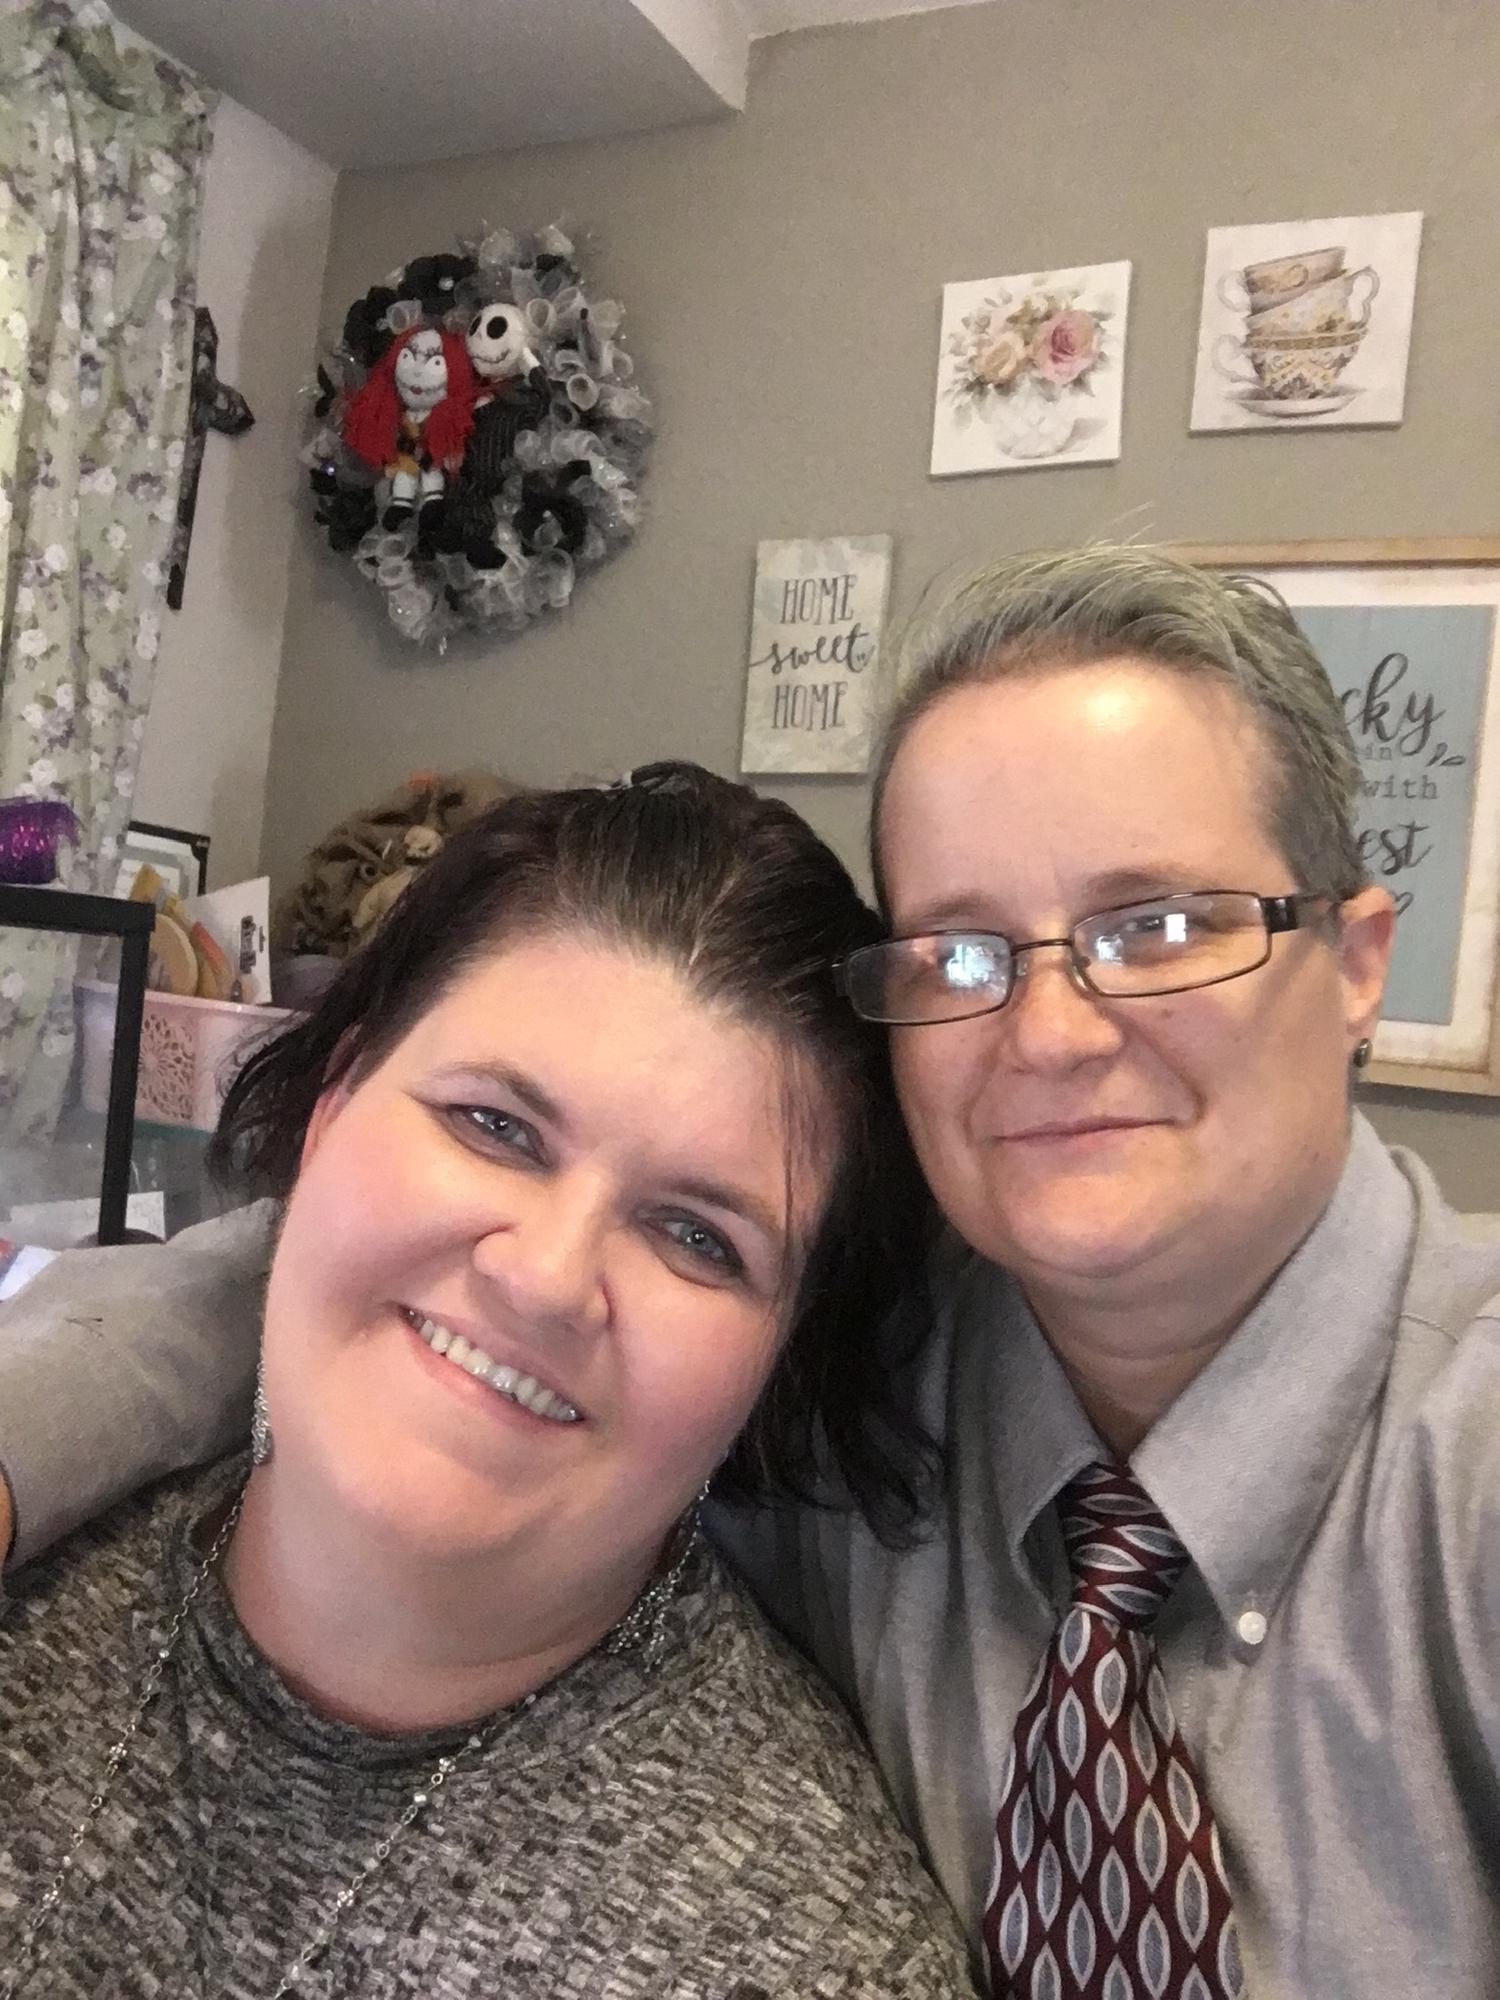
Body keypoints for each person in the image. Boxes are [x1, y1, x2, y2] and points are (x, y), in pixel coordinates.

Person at [5, 545, 1500, 1996]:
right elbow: (381, 1288)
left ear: (1359, 959)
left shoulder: (1459, 1478)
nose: (1051, 1034)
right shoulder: (868, 1376)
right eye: (962, 954)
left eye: (1160, 927)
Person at [0, 764, 978, 1999]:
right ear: (333, 1103)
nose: (547, 1277)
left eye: (697, 1236)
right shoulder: (42, 1548)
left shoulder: (810, 1956)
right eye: (495, 1126)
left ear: (781, 1359)